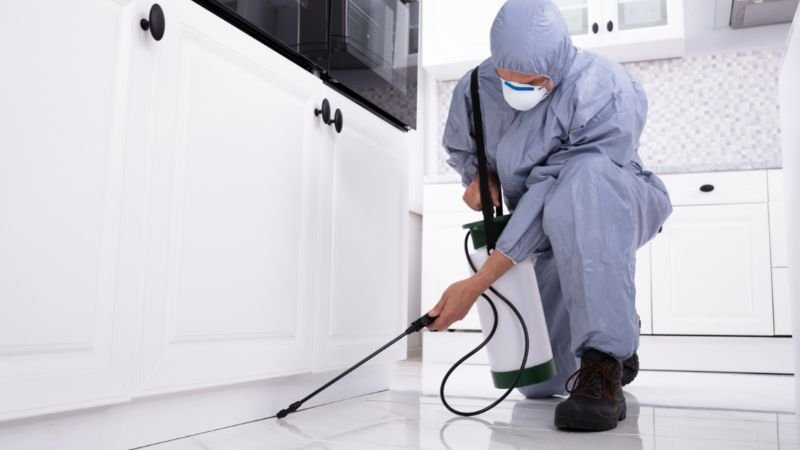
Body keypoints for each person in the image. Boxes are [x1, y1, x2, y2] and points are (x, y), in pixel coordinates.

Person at [425, 0, 673, 432]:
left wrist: (480, 281)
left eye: (538, 82)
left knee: (583, 181)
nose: (524, 89)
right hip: (545, 225)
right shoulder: (474, 89)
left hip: (610, 200)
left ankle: (604, 362)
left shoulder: (605, 86)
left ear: (558, 64)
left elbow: (553, 190)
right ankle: (617, 327)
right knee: (539, 383)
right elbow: (466, 149)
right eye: (510, 79)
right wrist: (479, 176)